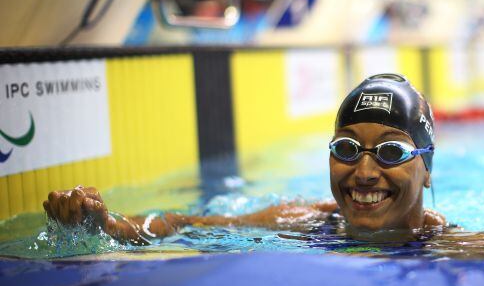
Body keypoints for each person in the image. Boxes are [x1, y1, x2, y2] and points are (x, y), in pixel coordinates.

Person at [43, 73, 447, 246]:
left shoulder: (458, 251)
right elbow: (184, 224)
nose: (363, 172)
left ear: (426, 168)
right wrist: (107, 224)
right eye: (346, 148)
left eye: (392, 152)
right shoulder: (305, 221)